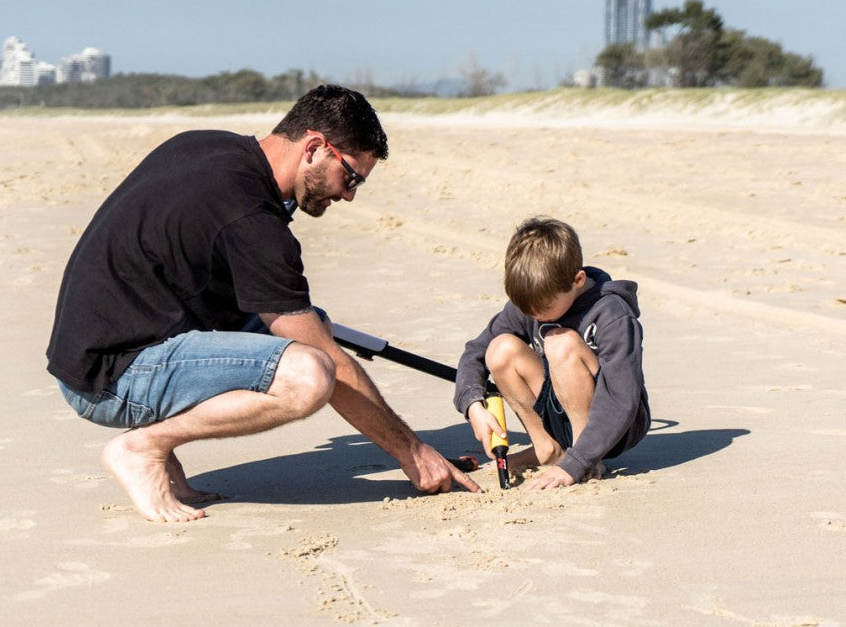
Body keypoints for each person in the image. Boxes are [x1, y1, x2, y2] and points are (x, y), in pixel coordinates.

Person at [47, 84, 480, 522]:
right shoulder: (252, 219)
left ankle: (159, 443)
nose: (349, 195)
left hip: (99, 343)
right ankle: (144, 447)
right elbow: (323, 357)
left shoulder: (208, 146)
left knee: (316, 327)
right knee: (309, 374)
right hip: (108, 378)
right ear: (314, 148)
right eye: (351, 177)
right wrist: (414, 453)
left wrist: (316, 332)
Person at [453, 216, 650, 490]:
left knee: (560, 342)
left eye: (543, 307)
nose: (534, 315)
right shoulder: (534, 302)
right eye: (527, 308)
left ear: (578, 279)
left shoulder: (612, 314)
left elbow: (621, 398)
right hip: (559, 409)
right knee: (500, 349)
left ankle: (585, 462)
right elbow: (476, 351)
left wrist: (576, 462)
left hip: (613, 428)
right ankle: (547, 449)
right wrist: (473, 404)